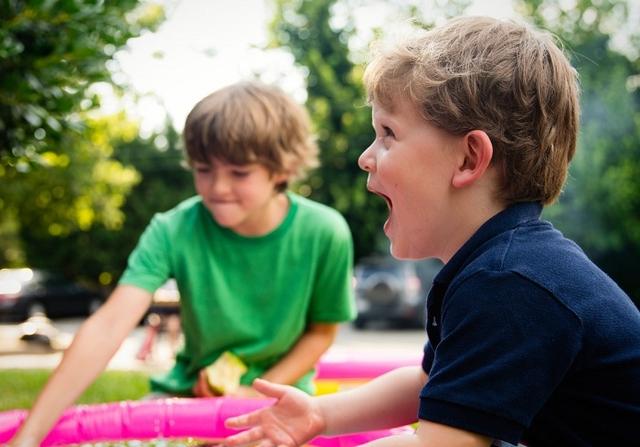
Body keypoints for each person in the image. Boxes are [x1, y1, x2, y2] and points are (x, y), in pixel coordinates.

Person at [222, 16, 640, 447]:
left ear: (468, 159)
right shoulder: (501, 265)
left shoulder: (510, 284)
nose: (366, 157)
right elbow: (429, 382)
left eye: (388, 134)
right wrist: (318, 414)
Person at [8, 81, 356, 446]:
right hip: (188, 394)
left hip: (281, 397)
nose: (217, 187)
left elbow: (321, 331)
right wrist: (29, 437)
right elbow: (109, 325)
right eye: (203, 169)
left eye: (239, 173)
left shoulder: (325, 232)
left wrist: (254, 392)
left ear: (282, 169)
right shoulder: (173, 229)